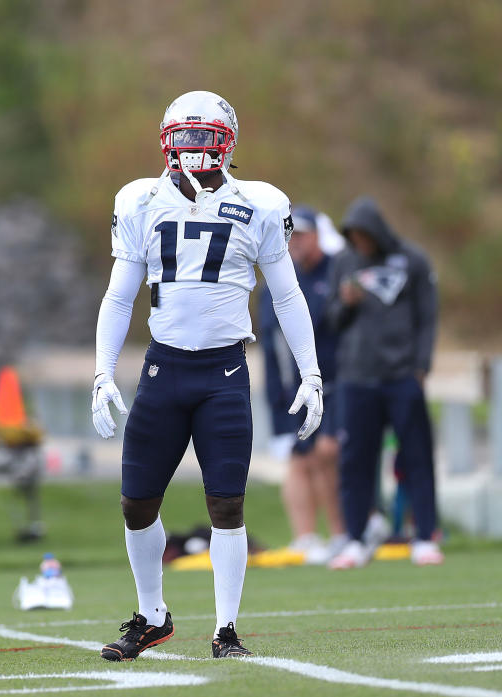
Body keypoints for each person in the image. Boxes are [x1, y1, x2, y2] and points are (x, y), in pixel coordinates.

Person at [92, 91, 322, 660]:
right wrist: (102, 371)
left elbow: (287, 295)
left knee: (227, 504)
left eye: (204, 135)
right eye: (184, 135)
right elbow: (120, 297)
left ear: (229, 141)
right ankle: (152, 614)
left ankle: (225, 630)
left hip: (223, 371)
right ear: (166, 139)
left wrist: (311, 372)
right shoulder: (140, 200)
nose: (193, 147)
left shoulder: (262, 204)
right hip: (162, 367)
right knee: (135, 502)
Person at [325, 196, 442, 569]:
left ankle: (425, 536)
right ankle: (356, 538)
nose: (359, 242)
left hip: (402, 376)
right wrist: (346, 303)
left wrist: (421, 367)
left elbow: (428, 317)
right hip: (356, 378)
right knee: (355, 461)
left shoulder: (412, 260)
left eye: (364, 235)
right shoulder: (344, 261)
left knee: (416, 456)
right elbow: (331, 320)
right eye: (353, 236)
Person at [258, 206, 347, 563]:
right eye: (291, 235)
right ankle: (305, 537)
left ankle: (342, 533)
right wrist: (276, 393)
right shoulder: (279, 278)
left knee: (327, 455)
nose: (296, 242)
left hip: (336, 382)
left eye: (303, 234)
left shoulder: (337, 271)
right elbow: (272, 341)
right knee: (299, 460)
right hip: (291, 386)